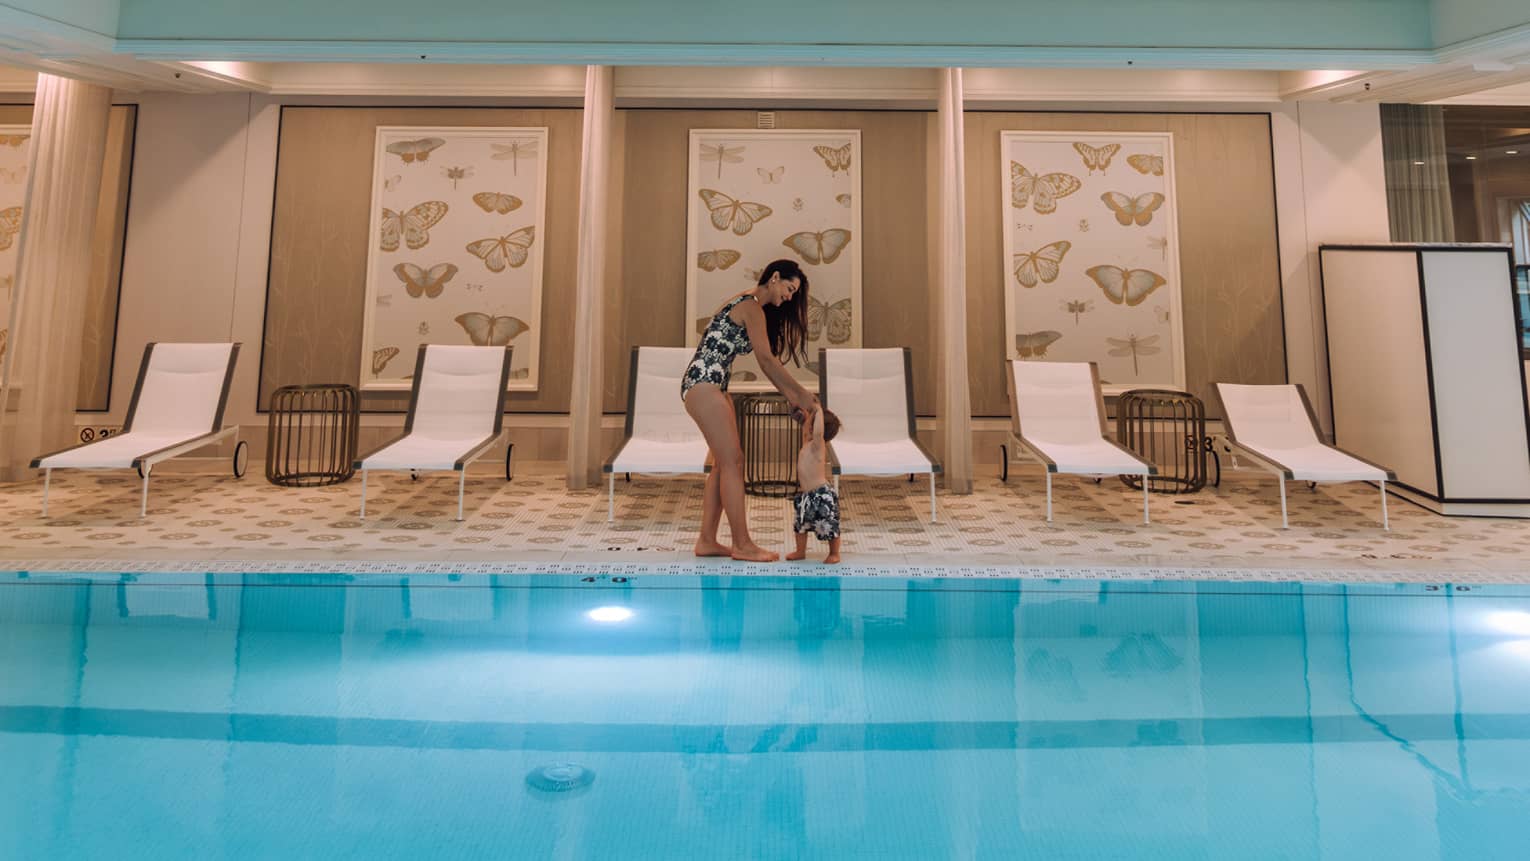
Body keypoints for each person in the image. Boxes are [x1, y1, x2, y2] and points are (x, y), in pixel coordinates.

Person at [682, 259, 818, 562]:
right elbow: (767, 361)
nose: (790, 296)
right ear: (775, 277)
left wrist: (795, 398)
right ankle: (742, 544)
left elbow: (769, 362)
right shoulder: (750, 305)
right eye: (789, 288)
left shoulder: (751, 305)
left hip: (713, 384)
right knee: (733, 462)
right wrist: (801, 395)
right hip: (703, 382)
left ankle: (706, 540)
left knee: (723, 463)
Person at [786, 404, 842, 564]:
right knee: (800, 525)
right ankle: (800, 551)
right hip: (805, 497)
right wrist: (808, 414)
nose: (808, 428)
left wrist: (817, 409)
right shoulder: (807, 442)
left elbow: (817, 432)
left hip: (821, 495)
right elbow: (807, 430)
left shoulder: (819, 445)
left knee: (829, 526)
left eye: (812, 425)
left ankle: (834, 553)